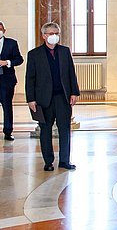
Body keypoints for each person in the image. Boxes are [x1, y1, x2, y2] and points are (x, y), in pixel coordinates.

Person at [25, 22, 79, 171]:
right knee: (45, 130)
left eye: (56, 33)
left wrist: (74, 92)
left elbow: (71, 74)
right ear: (43, 36)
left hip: (62, 98)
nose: (54, 36)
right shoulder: (34, 54)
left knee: (64, 129)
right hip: (43, 99)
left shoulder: (64, 51)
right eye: (51, 33)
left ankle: (64, 161)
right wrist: (30, 99)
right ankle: (48, 161)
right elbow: (30, 78)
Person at [0, 21, 24, 141]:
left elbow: (19, 59)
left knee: (7, 105)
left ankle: (8, 131)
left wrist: (7, 62)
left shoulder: (11, 43)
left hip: (6, 80)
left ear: (4, 30)